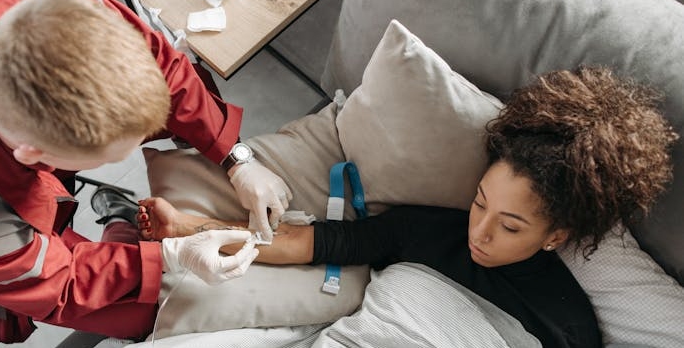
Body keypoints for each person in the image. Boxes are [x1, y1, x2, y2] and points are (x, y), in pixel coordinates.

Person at [135, 66, 679, 348]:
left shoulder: (569, 323)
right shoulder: (423, 231)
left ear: (555, 236)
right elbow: (309, 243)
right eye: (479, 204)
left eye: (511, 226)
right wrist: (192, 227)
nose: (480, 233)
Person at [0, 0, 286, 344]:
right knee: (154, 313)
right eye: (110, 158)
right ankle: (120, 223)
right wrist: (171, 258)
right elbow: (59, 283)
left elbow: (161, 66)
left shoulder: (61, 15)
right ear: (35, 156)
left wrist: (236, 158)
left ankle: (119, 221)